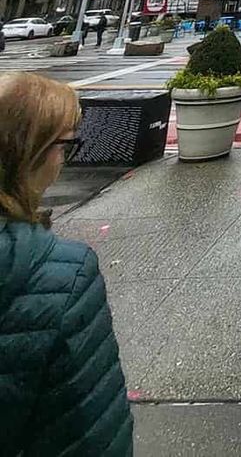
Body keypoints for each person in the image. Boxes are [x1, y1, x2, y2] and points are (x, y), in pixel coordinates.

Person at [0, 73, 132, 455]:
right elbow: (92, 433)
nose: (64, 159)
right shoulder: (64, 274)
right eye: (65, 146)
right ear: (29, 152)